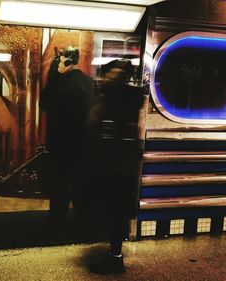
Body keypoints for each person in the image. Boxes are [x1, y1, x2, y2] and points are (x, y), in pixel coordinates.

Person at [84, 59, 145, 274]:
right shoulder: (130, 97)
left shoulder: (114, 98)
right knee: (115, 213)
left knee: (115, 212)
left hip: (115, 167)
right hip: (121, 165)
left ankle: (115, 258)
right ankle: (115, 254)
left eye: (112, 72)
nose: (107, 77)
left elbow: (103, 130)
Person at [39, 46, 93, 225]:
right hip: (84, 141)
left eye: (58, 61)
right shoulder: (89, 82)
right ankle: (82, 214)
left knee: (59, 180)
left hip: (61, 141)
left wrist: (54, 76)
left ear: (67, 61)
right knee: (80, 180)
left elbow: (44, 104)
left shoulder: (60, 83)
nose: (56, 64)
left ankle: (57, 216)